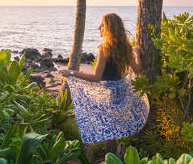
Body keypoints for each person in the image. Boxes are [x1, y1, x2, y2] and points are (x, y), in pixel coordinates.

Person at [59, 13, 149, 147]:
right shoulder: (126, 47)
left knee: (110, 131)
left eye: (101, 25)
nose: (98, 28)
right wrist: (136, 54)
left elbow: (96, 78)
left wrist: (71, 73)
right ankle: (117, 158)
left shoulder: (104, 49)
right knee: (115, 127)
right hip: (122, 90)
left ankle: (110, 162)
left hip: (109, 93)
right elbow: (137, 70)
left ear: (108, 28)